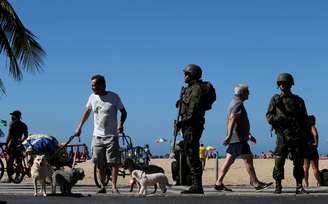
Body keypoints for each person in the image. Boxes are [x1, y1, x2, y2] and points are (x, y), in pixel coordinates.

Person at [74, 74, 127, 194]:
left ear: (102, 85)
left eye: (94, 85)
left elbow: (124, 112)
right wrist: (79, 127)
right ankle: (103, 186)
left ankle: (113, 186)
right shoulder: (92, 97)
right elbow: (87, 112)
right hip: (97, 136)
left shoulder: (114, 97)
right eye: (91, 86)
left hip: (112, 136)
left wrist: (121, 124)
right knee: (99, 164)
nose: (92, 88)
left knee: (113, 163)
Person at [214, 84, 272, 192]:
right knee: (248, 160)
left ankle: (218, 182)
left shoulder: (234, 102)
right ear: (242, 93)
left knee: (229, 161)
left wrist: (248, 135)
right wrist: (229, 136)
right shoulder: (238, 104)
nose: (249, 94)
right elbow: (232, 119)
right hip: (238, 139)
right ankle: (256, 183)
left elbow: (240, 122)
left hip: (237, 138)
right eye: (247, 92)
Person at [266, 73, 309, 194]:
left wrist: (304, 135)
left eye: (285, 83)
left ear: (290, 84)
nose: (282, 85)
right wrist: (279, 120)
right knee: (279, 160)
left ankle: (299, 186)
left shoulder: (298, 100)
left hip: (296, 134)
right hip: (282, 134)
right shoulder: (275, 99)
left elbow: (304, 119)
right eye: (280, 83)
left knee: (298, 161)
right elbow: (269, 116)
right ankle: (278, 185)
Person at [176, 64, 208, 194]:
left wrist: (182, 123)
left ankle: (197, 185)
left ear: (193, 74)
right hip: (189, 125)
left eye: (187, 74)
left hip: (192, 125)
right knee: (190, 152)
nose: (184, 76)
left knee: (192, 153)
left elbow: (192, 110)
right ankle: (196, 184)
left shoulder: (195, 89)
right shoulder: (189, 89)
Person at [6, 110, 28, 182]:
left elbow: (9, 135)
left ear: (15, 116)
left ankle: (10, 178)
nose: (11, 117)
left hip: (12, 144)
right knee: (19, 160)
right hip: (19, 144)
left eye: (12, 115)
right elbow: (26, 136)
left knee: (9, 161)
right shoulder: (24, 125)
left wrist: (6, 143)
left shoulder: (12, 124)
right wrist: (21, 141)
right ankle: (17, 175)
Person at [303, 115, 320, 187]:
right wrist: (316, 143)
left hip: (305, 148)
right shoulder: (312, 127)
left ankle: (306, 183)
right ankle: (319, 182)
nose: (315, 122)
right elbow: (315, 134)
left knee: (306, 167)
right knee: (315, 168)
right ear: (312, 121)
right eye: (314, 120)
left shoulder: (304, 128)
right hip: (312, 148)